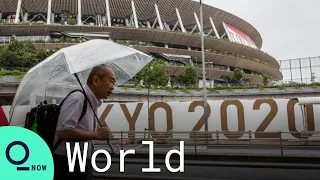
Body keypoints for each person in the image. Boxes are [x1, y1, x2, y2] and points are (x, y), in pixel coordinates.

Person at [52, 64, 116, 180]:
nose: (113, 87)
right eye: (111, 81)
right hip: (66, 164)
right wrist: (96, 135)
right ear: (96, 80)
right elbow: (63, 132)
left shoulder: (93, 103)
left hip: (81, 162)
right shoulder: (78, 98)